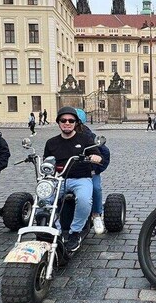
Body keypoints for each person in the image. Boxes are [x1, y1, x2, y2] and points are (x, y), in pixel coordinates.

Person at [43, 107, 102, 252]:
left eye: (71, 120)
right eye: (63, 120)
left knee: (84, 200)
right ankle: (54, 231)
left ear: (76, 123)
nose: (67, 123)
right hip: (59, 179)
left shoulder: (85, 139)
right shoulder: (51, 143)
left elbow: (99, 156)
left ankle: (75, 232)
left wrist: (94, 157)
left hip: (80, 178)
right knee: (43, 199)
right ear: (58, 122)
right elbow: (47, 162)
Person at [75, 108, 111, 235]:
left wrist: (96, 170)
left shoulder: (90, 137)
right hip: (69, 174)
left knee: (96, 188)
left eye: (75, 121)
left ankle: (96, 214)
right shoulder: (63, 137)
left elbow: (105, 154)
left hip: (88, 172)